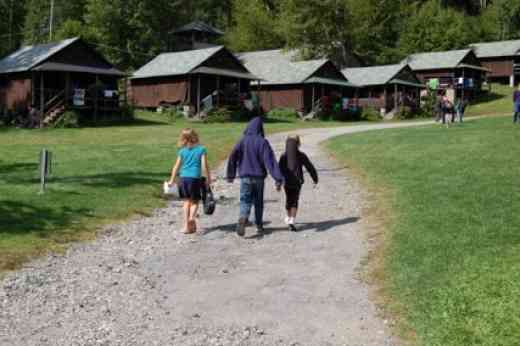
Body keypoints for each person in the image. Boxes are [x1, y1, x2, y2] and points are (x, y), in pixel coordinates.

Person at [226, 116, 284, 237]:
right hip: (258, 178)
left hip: (245, 177)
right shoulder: (262, 142)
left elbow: (233, 156)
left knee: (245, 200)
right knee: (258, 202)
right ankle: (259, 225)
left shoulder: (242, 141)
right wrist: (278, 178)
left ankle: (243, 217)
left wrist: (230, 175)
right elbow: (270, 161)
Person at [168, 128, 211, 234]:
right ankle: (192, 217)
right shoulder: (201, 149)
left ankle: (186, 226)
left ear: (183, 138)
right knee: (195, 201)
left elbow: (176, 167)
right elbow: (204, 165)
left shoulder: (182, 151)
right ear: (195, 136)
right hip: (195, 179)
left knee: (186, 202)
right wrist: (208, 178)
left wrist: (171, 180)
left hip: (183, 179)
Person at [279, 135, 318, 232]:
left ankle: (289, 218)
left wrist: (278, 183)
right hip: (297, 181)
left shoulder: (283, 156)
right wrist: (315, 179)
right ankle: (292, 220)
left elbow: (279, 170)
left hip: (287, 182)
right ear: (298, 144)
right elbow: (310, 167)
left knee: (289, 198)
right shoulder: (301, 155)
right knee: (295, 200)